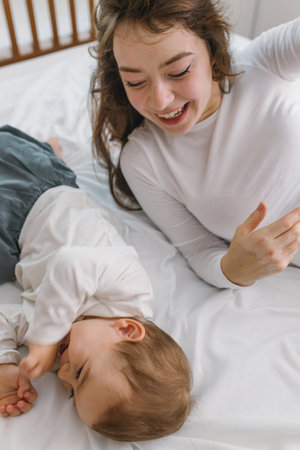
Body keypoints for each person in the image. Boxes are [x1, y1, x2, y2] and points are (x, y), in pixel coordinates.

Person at [90, 0, 300, 289]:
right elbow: (199, 251)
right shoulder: (144, 161)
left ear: (212, 51)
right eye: (136, 82)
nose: (160, 101)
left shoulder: (264, 63)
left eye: (179, 71)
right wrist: (233, 270)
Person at [0, 125, 191, 441]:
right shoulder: (128, 291)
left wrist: (6, 362)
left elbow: (6, 320)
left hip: (12, 243)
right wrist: (44, 340)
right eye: (80, 372)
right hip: (41, 193)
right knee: (12, 151)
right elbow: (68, 264)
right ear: (127, 330)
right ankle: (49, 148)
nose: (62, 373)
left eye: (71, 392)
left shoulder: (64, 344)